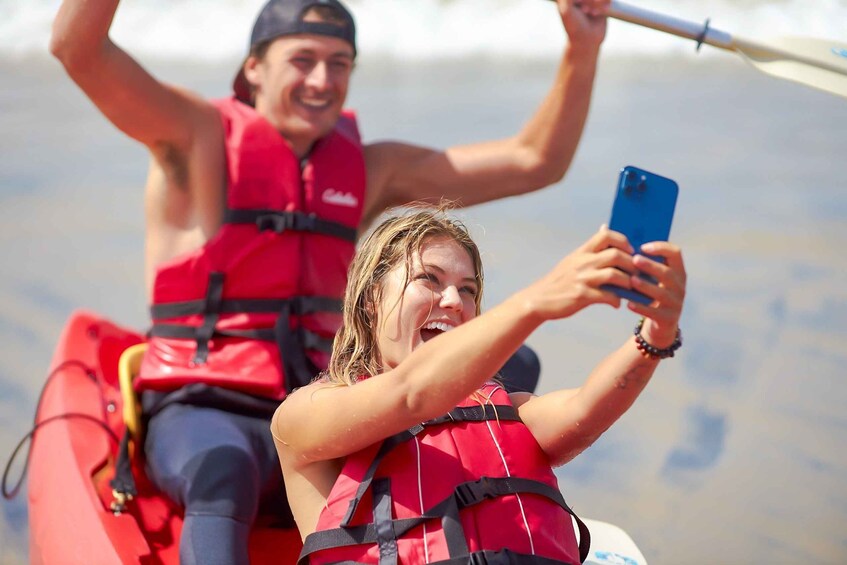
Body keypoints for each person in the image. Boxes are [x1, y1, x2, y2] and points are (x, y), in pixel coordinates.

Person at [49, 0, 610, 562]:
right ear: (254, 69)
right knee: (223, 471)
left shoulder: (368, 168)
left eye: (340, 63)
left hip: (329, 400)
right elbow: (78, 49)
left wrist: (581, 49)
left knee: (513, 364)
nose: (322, 80)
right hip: (210, 406)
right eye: (303, 59)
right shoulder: (193, 137)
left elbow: (535, 160)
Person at [272, 208, 686, 563]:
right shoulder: (304, 415)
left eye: (467, 290)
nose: (454, 300)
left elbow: (585, 411)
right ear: (371, 298)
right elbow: (410, 394)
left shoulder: (511, 410)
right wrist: (536, 302)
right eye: (429, 279)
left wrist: (656, 335)